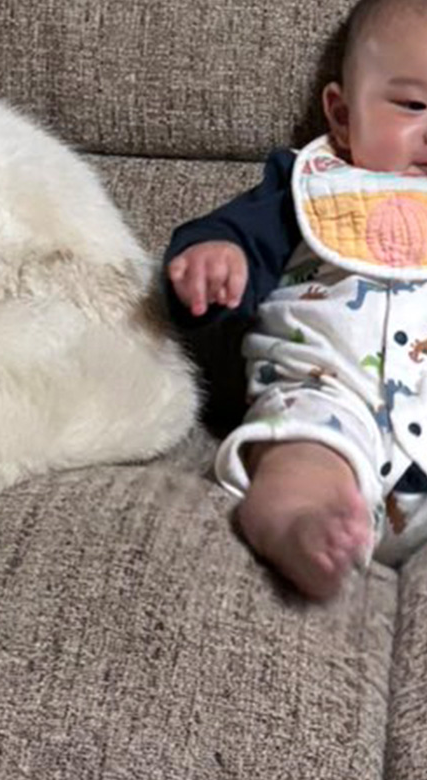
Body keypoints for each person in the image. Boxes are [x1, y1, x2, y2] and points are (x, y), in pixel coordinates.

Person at [165, 0, 427, 599]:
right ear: (340, 114)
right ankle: (296, 518)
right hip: (329, 396)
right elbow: (236, 238)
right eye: (412, 105)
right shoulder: (311, 186)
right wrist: (216, 259)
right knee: (300, 453)